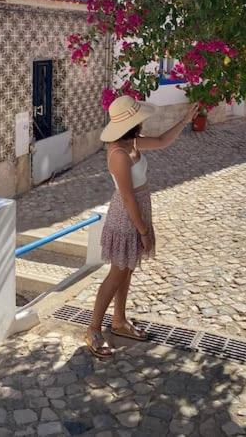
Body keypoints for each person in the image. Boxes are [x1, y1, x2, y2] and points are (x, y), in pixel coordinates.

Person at [85, 95, 199, 359]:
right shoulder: (118, 153)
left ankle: (119, 321)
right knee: (116, 273)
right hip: (127, 216)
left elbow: (161, 141)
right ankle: (93, 328)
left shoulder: (132, 142)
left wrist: (183, 121)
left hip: (138, 210)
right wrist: (144, 231)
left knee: (127, 271)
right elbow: (127, 197)